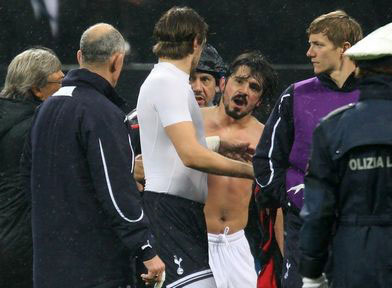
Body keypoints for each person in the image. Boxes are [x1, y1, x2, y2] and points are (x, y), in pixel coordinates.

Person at [24, 23, 164, 288]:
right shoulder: (102, 113)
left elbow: (27, 180)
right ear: (117, 60)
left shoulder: (45, 109)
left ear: (79, 57)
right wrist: (145, 248)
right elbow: (116, 190)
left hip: (48, 266)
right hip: (95, 268)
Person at [137, 7, 254, 288]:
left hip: (179, 210)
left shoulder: (170, 80)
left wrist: (217, 144)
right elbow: (189, 155)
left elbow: (171, 148)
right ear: (195, 42)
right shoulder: (168, 82)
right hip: (169, 210)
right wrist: (252, 171)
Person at [253, 10, 363, 287]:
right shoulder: (295, 94)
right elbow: (266, 160)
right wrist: (292, 200)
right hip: (304, 229)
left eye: (318, 44)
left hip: (358, 228)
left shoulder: (375, 97)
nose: (309, 52)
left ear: (344, 49)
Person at [299, 21, 392, 288]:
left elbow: (318, 211)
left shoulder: (332, 128)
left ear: (359, 69)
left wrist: (311, 274)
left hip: (352, 265)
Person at [202, 51, 278, 287]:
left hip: (236, 241)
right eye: (239, 81)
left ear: (260, 99)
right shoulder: (194, 122)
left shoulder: (266, 136)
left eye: (253, 86)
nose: (244, 90)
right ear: (224, 83)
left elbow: (278, 198)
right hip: (194, 237)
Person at [0, 47, 63, 288]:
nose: (63, 86)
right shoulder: (37, 128)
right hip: (24, 247)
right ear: (36, 89)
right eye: (58, 80)